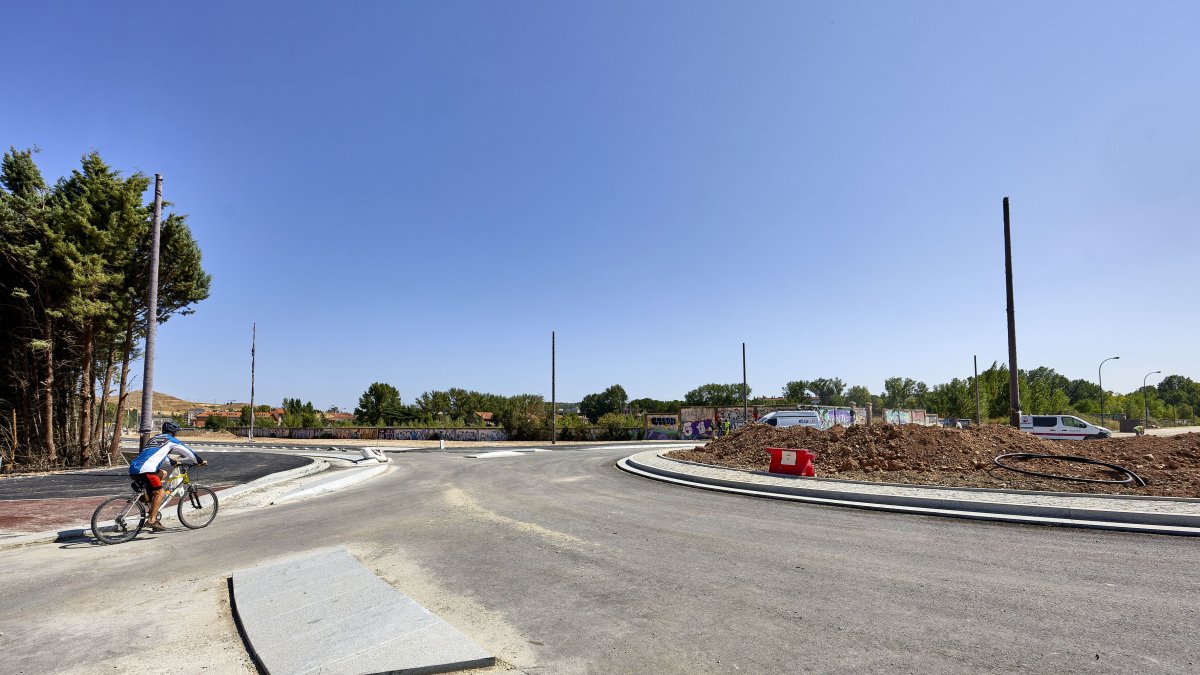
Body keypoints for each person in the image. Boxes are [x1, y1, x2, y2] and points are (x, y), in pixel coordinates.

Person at [128, 421, 207, 531]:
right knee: (160, 492)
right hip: (147, 469)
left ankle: (148, 499)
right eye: (176, 432)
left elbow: (158, 453)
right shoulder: (171, 439)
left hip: (134, 468)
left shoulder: (154, 439)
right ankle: (151, 520)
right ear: (173, 432)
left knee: (163, 473)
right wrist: (200, 461)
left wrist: (172, 462)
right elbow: (187, 452)